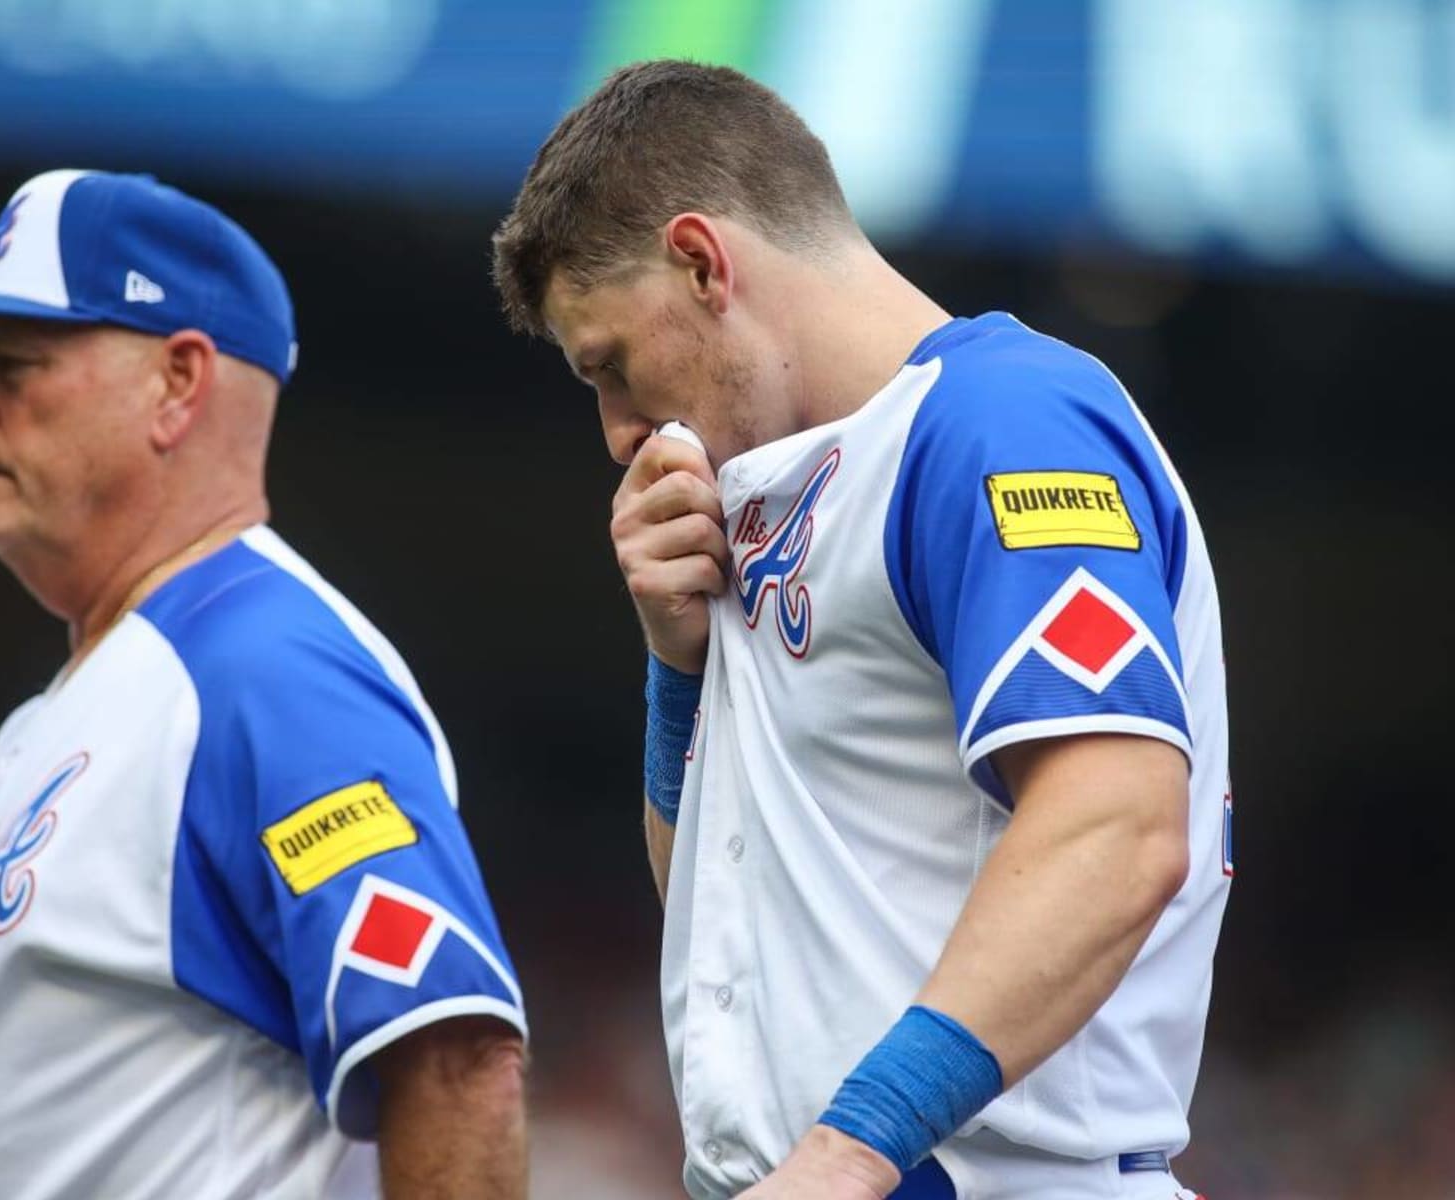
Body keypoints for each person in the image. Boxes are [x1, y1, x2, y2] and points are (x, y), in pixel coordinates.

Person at [492, 61, 1228, 1200]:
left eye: (611, 367)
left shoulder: (1002, 423)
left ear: (700, 260)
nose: (617, 429)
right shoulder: (779, 481)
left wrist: (850, 1151)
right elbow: (719, 924)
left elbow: (1118, 830)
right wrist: (676, 670)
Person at [0, 169, 528, 1199]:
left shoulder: (265, 669)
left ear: (178, 382)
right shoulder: (49, 724)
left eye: (14, 366)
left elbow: (452, 1057)